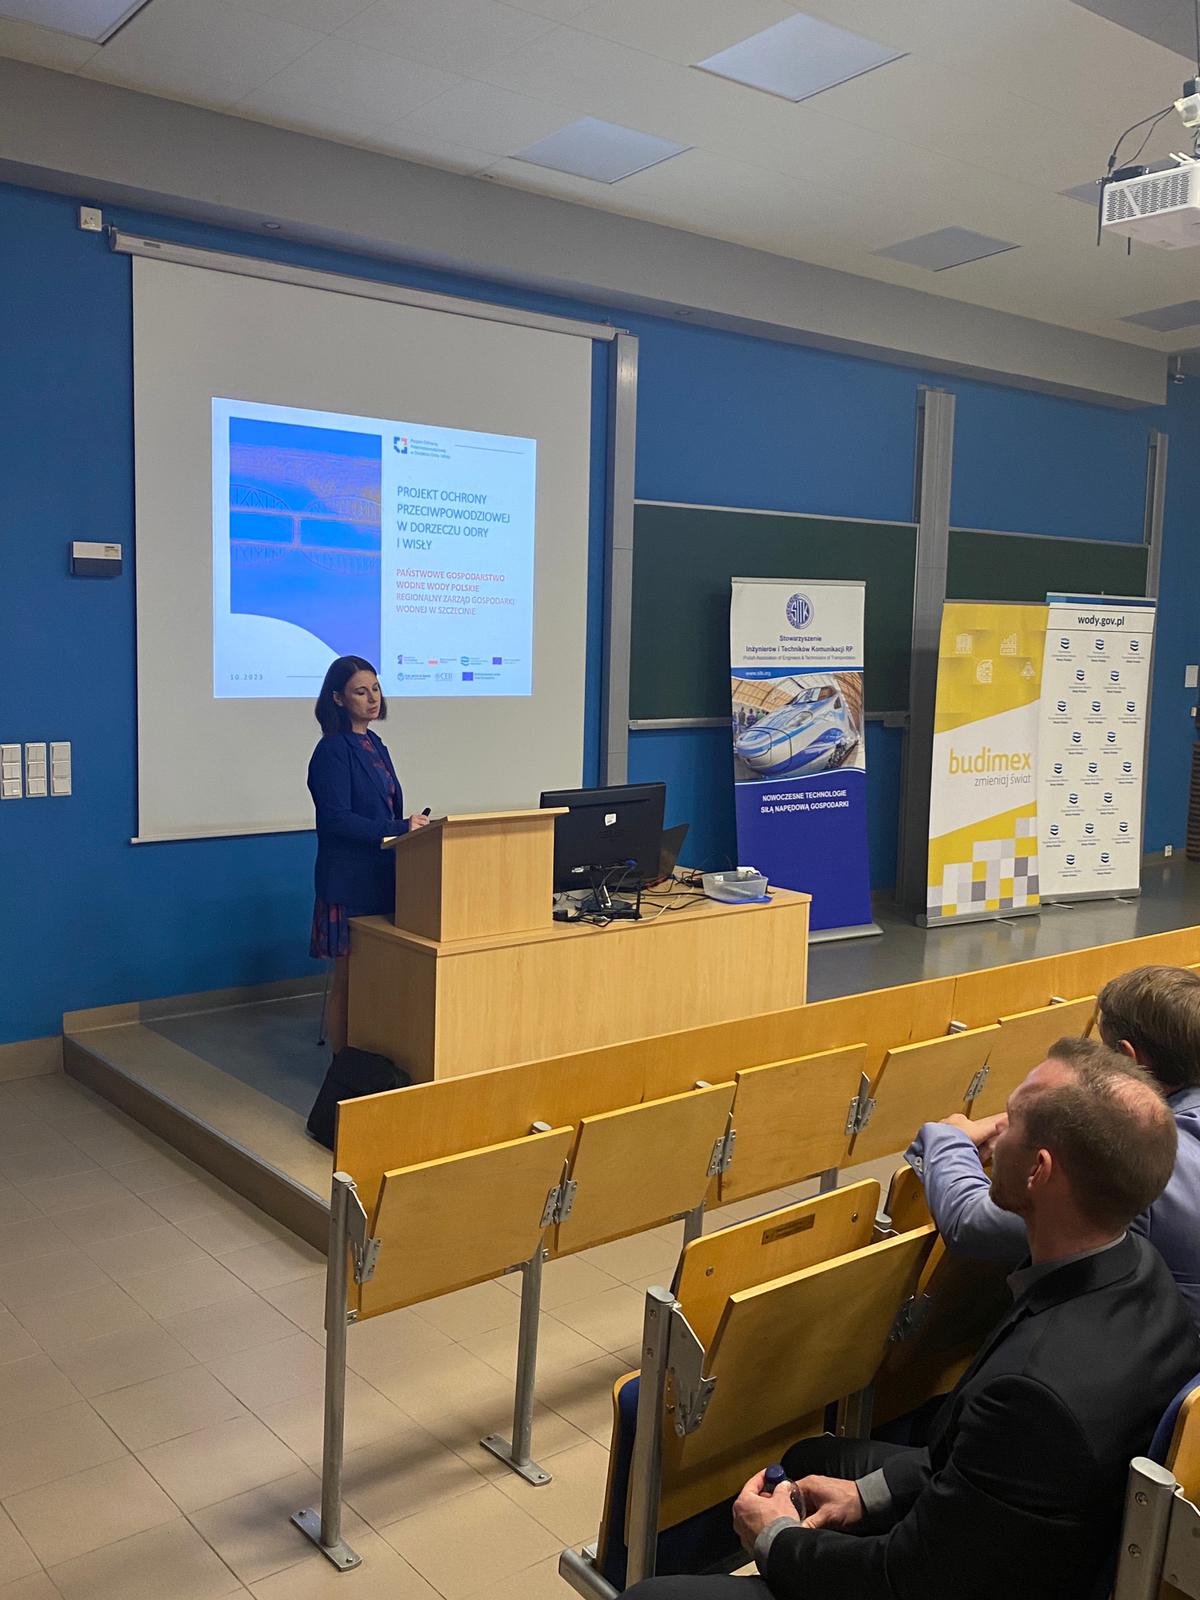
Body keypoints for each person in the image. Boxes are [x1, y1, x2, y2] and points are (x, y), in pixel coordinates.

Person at [625, 1039, 1199, 1600]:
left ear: (1038, 1172)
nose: (996, 1131)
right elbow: (976, 1475)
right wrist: (864, 1497)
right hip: (1029, 1532)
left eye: (1013, 1120)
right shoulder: (1138, 1268)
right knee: (813, 1462)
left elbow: (907, 1580)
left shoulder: (1033, 1395)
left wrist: (774, 1539)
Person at [908, 964, 1200, 1323]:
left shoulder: (1138, 1158)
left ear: (1127, 1059)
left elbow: (971, 1222)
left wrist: (948, 1137)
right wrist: (1024, 1127)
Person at [307, 655, 428, 1053]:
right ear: (338, 698)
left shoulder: (374, 744)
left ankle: (373, 1056)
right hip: (349, 882)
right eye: (361, 692)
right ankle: (342, 1066)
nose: (373, 698)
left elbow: (383, 810)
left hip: (382, 875)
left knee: (377, 977)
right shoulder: (332, 751)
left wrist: (404, 827)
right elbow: (337, 820)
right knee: (349, 981)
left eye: (375, 688)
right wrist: (399, 827)